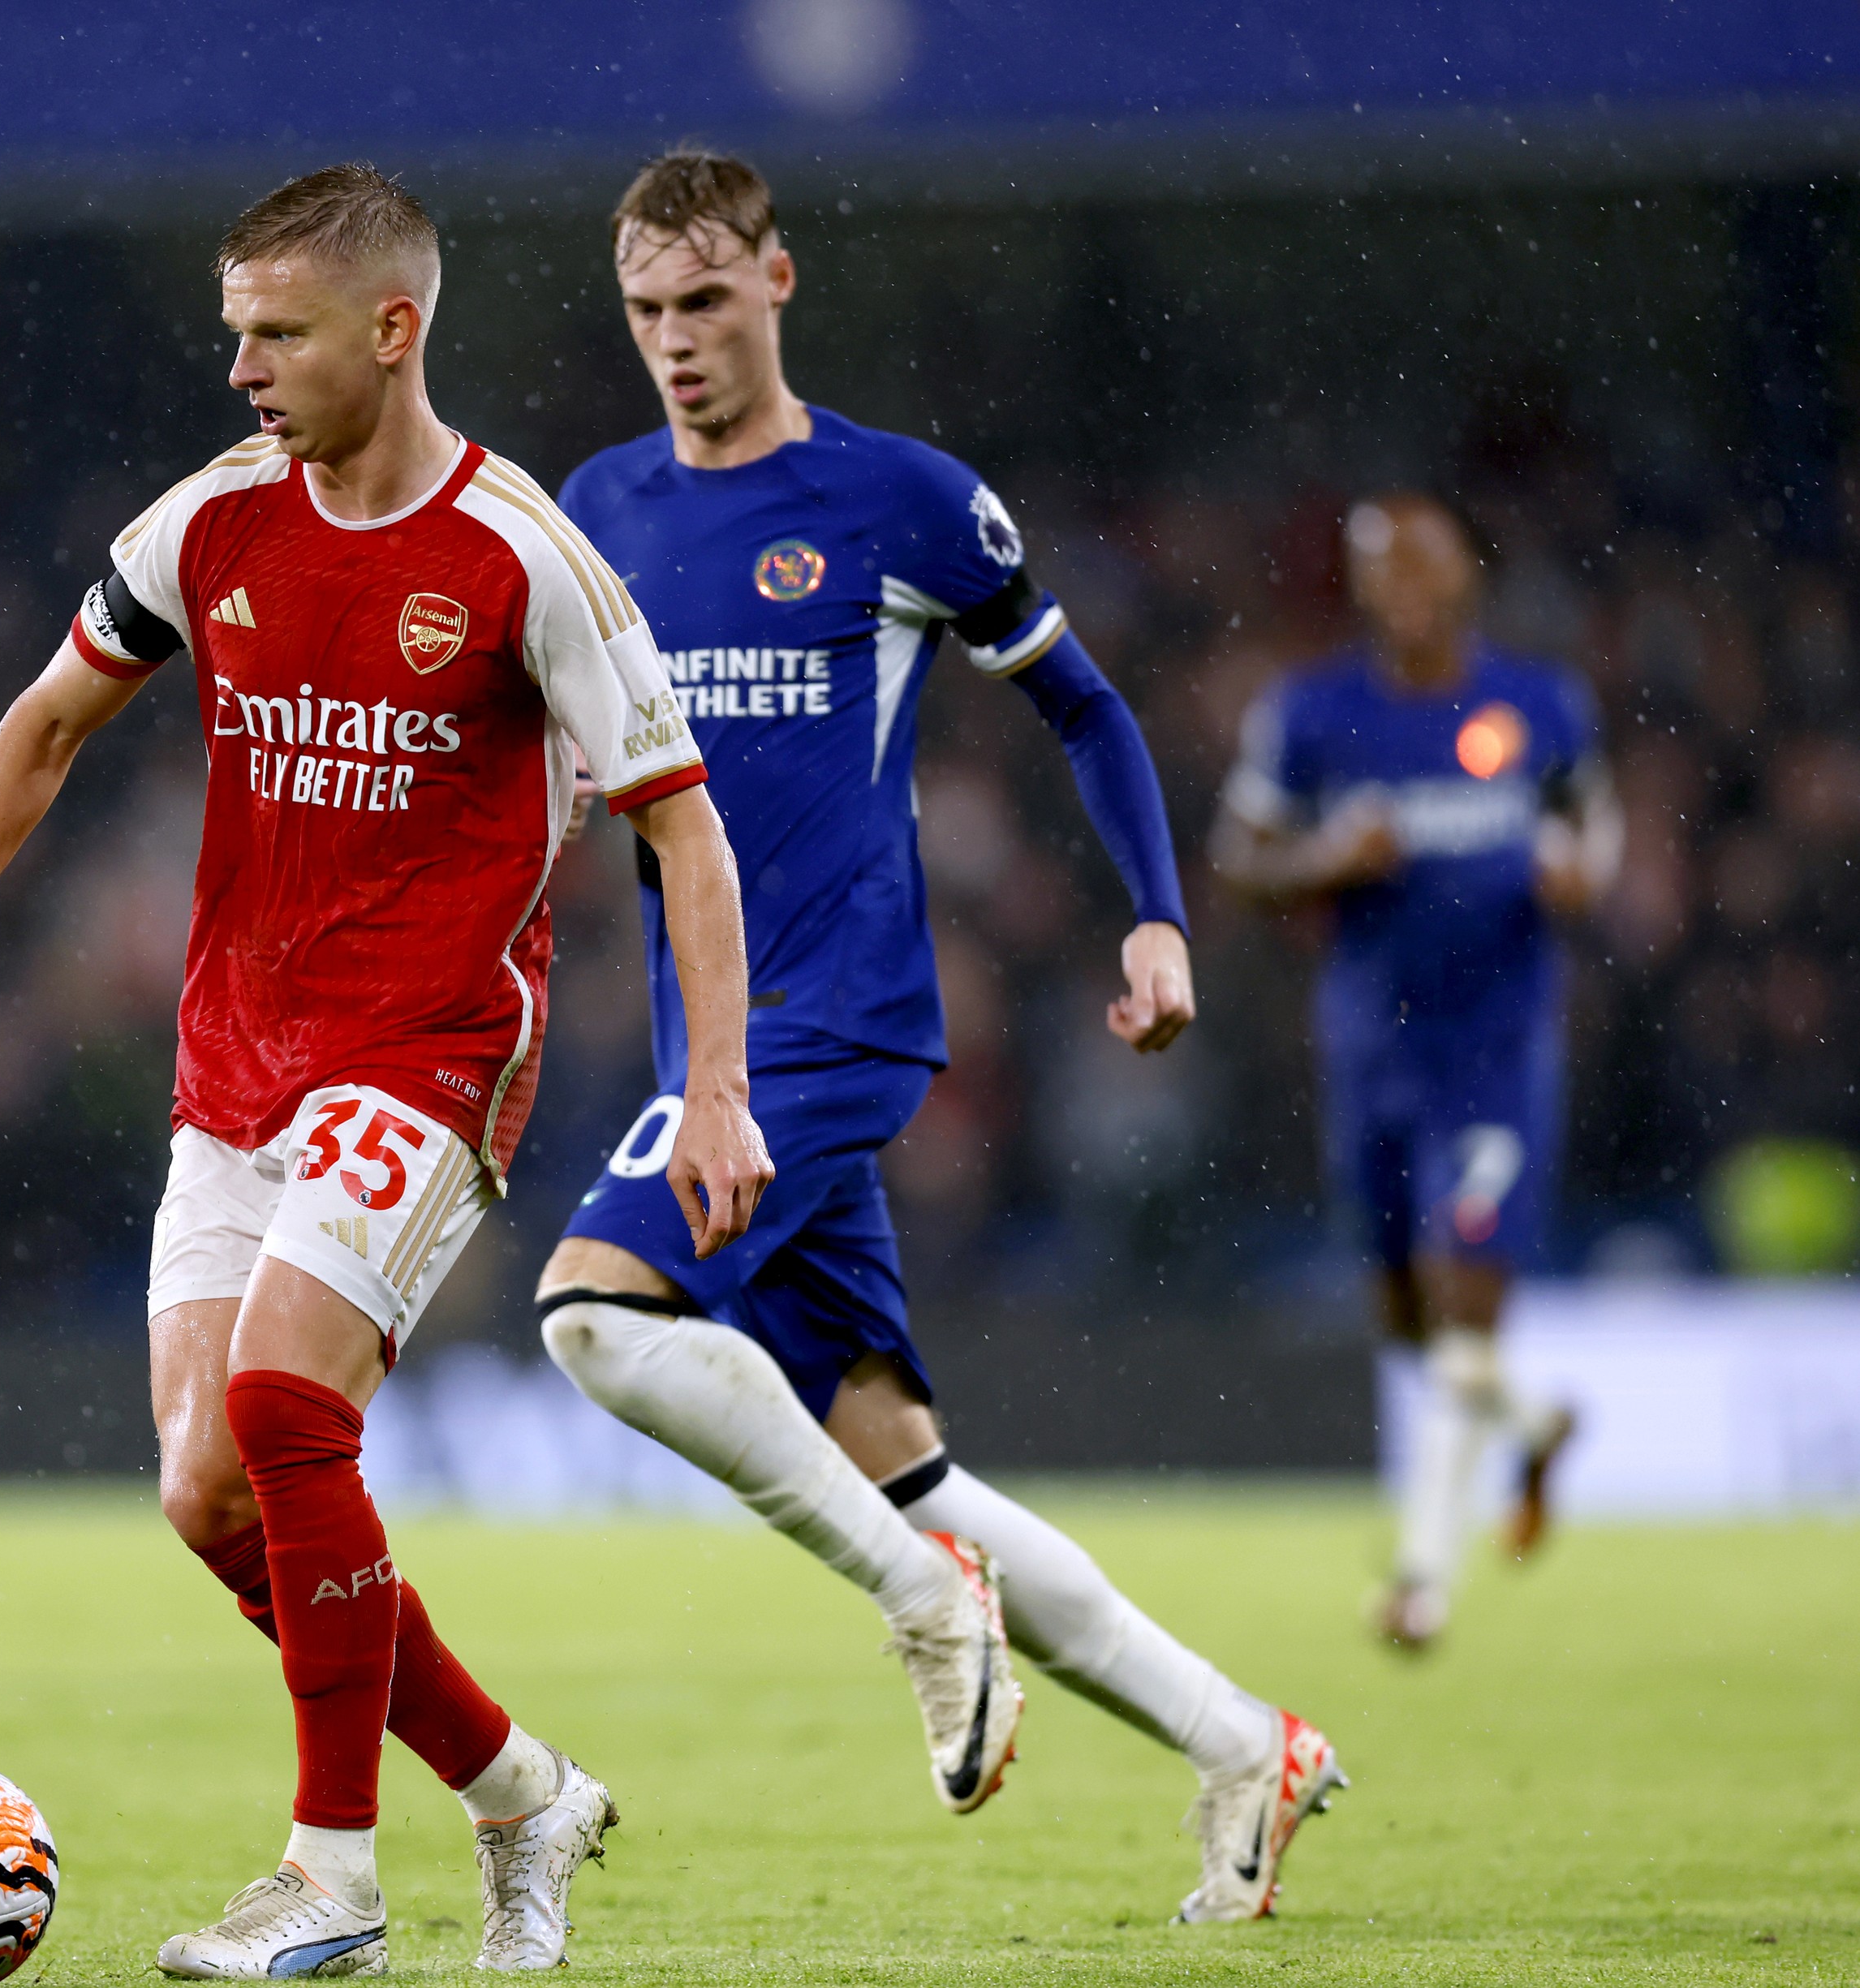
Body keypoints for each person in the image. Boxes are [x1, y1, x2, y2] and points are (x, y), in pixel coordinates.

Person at [0, 164, 1009, 1980]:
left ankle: (331, 1875)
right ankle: (516, 1783)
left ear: (393, 332)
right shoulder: (206, 524)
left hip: (430, 1052)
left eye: (278, 335)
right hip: (234, 1053)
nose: (242, 370)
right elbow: (48, 721)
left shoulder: (524, 556)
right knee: (204, 1487)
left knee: (289, 1410)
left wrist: (716, 1089)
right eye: (231, 333)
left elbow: (684, 833)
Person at [530, 148, 1344, 1925]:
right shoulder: (602, 505)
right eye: (645, 310)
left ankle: (917, 1600)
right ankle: (1238, 1744)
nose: (673, 340)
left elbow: (1084, 702)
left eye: (704, 300)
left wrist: (1151, 910)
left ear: (777, 282)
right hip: (712, 1047)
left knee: (593, 1309)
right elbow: (583, 770)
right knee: (906, 1455)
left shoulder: (902, 503)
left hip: (838, 1022)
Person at [1212, 493, 1620, 1652]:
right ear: (1361, 587)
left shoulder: (1537, 701)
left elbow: (1595, 822)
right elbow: (1240, 854)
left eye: (1423, 563)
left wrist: (1583, 872)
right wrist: (1327, 855)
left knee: (1463, 1302)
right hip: (1372, 1050)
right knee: (1407, 1316)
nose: (1406, 586)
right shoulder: (1312, 712)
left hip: (1497, 1052)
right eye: (1381, 569)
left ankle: (1421, 1579)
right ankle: (1534, 1426)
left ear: (1466, 573)